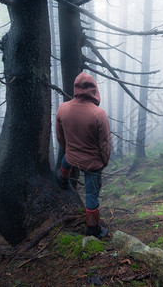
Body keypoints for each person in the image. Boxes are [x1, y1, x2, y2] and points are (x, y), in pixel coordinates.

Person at [56, 72, 111, 238]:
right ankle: (93, 229)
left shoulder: (62, 108)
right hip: (92, 164)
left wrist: (69, 148)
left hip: (71, 155)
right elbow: (105, 143)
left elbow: (60, 136)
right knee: (91, 195)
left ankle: (62, 180)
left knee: (66, 162)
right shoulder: (99, 114)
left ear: (76, 88)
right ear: (94, 89)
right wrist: (104, 161)